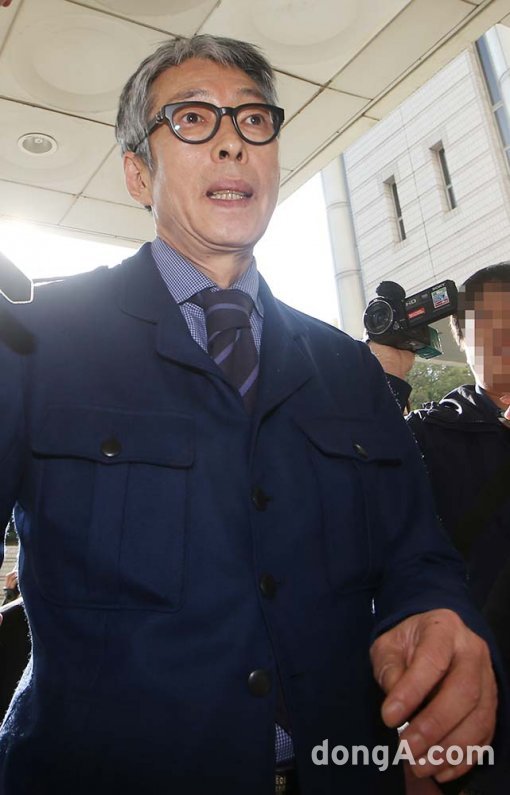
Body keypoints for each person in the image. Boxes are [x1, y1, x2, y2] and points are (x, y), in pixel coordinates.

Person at [0, 35, 502, 795]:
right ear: (138, 172)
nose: (233, 141)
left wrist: (433, 610)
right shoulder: (36, 337)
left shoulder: (347, 367)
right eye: (192, 118)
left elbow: (417, 554)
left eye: (254, 120)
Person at [370, 263, 510, 793]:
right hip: (478, 688)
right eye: (488, 326)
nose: (503, 338)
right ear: (462, 341)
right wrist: (386, 372)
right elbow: (361, 471)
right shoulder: (432, 431)